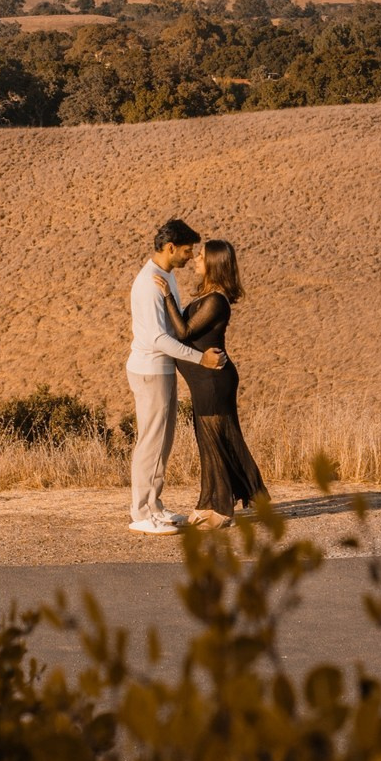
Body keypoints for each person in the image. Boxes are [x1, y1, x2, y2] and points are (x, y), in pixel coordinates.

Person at [126, 219, 223, 534]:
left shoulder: (165, 276)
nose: (190, 256)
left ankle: (154, 505)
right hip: (150, 369)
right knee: (151, 442)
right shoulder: (149, 283)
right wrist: (200, 359)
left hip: (161, 369)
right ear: (170, 248)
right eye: (186, 250)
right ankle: (141, 513)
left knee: (162, 442)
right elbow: (158, 338)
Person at [169, 239, 266, 527]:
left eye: (201, 256)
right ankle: (207, 502)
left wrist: (167, 297)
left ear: (214, 263)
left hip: (214, 381)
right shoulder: (206, 297)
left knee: (216, 441)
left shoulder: (216, 301)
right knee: (208, 440)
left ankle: (222, 509)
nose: (196, 259)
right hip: (203, 381)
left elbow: (184, 331)